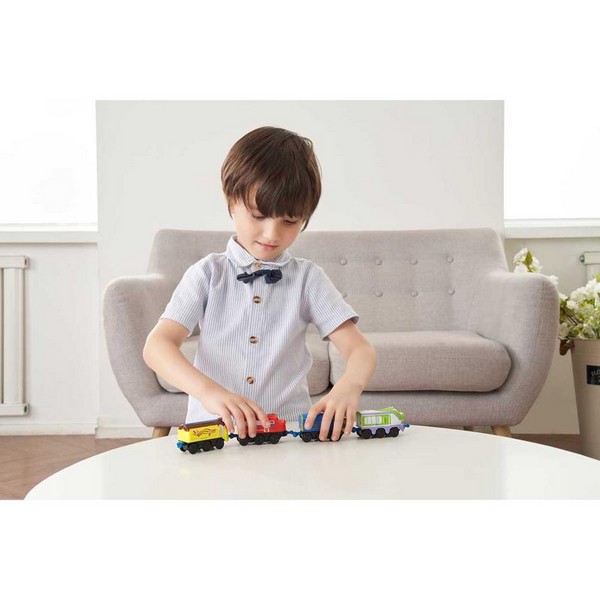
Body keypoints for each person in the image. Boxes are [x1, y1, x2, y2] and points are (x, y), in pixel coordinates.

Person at [143, 126, 377, 442]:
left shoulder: (307, 278)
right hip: (213, 431)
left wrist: (348, 388)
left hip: (288, 433)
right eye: (258, 215)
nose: (272, 234)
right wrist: (209, 392)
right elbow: (157, 347)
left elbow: (360, 350)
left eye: (290, 221)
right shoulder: (208, 274)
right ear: (231, 203)